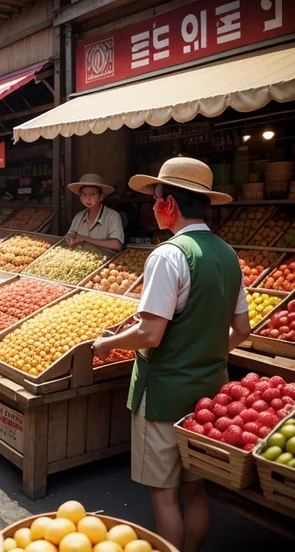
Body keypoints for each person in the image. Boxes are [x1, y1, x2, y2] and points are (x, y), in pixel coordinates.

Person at [91, 157, 250, 552]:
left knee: (164, 496)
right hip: (209, 397)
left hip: (162, 394)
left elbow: (149, 332)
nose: (153, 206)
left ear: (171, 205)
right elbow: (242, 330)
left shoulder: (168, 255)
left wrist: (105, 344)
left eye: (157, 198)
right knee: (195, 491)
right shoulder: (229, 255)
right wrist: (203, 353)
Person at [66, 174, 124, 251]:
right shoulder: (78, 217)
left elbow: (117, 245)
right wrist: (70, 239)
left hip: (104, 259)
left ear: (100, 197)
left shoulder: (113, 216)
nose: (88, 199)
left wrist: (87, 239)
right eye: (84, 195)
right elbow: (70, 234)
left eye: (92, 194)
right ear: (80, 197)